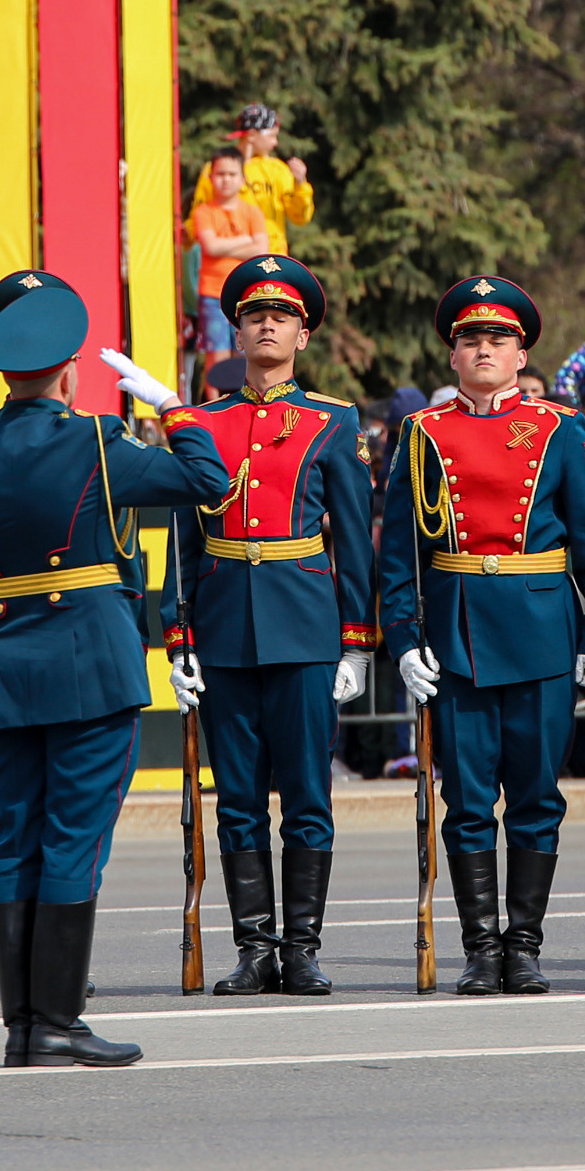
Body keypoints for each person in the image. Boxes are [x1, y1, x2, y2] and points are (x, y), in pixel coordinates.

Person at [0, 270, 231, 1067]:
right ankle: (59, 1023)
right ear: (68, 367)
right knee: (73, 840)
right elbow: (212, 484)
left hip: (5, 669)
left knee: (18, 838)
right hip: (92, 663)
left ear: (2, 366)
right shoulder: (97, 440)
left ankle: (23, 1027)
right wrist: (173, 406)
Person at [380, 276, 585, 995]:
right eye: (470, 339)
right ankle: (481, 946)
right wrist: (403, 638)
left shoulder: (559, 428)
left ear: (521, 354)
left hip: (543, 628)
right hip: (459, 631)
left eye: (498, 339)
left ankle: (526, 943)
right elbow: (397, 551)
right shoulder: (423, 434)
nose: (484, 349)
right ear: (453, 355)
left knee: (538, 793)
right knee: (468, 796)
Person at [165, 253, 376, 997]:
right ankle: (255, 947)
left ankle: (303, 947)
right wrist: (178, 630)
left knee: (307, 795)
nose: (266, 324)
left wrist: (357, 639)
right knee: (239, 798)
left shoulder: (332, 421)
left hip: (305, 623)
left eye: (280, 316)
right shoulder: (203, 421)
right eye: (254, 314)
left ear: (303, 335)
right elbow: (186, 538)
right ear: (236, 330)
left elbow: (353, 538)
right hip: (225, 624)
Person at [184, 103, 316, 252]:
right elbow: (199, 213)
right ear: (252, 135)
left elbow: (300, 217)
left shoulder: (278, 170)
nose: (276, 142)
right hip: (229, 259)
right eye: (272, 135)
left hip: (271, 259)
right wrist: (186, 234)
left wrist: (300, 184)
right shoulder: (217, 168)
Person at [187, 150, 271, 360]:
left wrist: (223, 245)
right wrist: (246, 240)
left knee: (246, 356)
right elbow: (211, 248)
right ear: (211, 178)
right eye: (220, 174)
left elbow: (261, 250)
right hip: (212, 295)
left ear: (242, 179)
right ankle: (215, 395)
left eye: (232, 174)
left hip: (247, 293)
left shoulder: (253, 212)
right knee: (216, 359)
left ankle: (244, 395)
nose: (226, 180)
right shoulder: (203, 212)